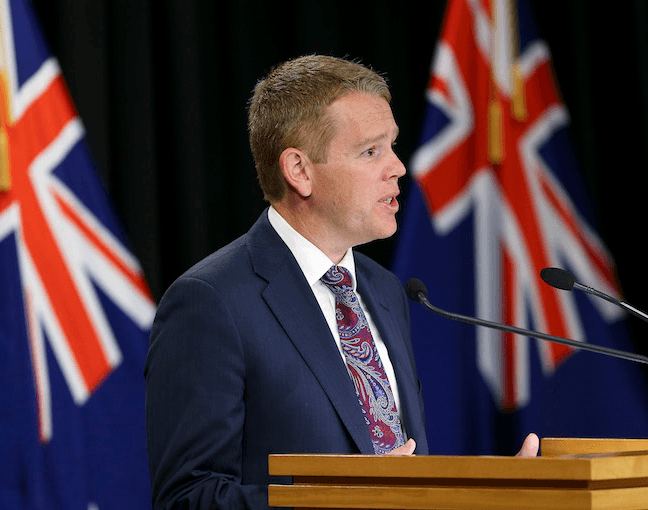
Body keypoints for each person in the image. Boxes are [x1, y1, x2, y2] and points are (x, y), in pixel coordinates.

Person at [144, 54, 538, 510]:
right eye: (371, 151)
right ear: (300, 171)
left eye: (392, 145)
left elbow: (399, 482)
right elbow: (187, 498)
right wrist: (346, 499)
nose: (398, 168)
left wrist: (484, 492)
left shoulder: (385, 290)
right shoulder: (211, 302)